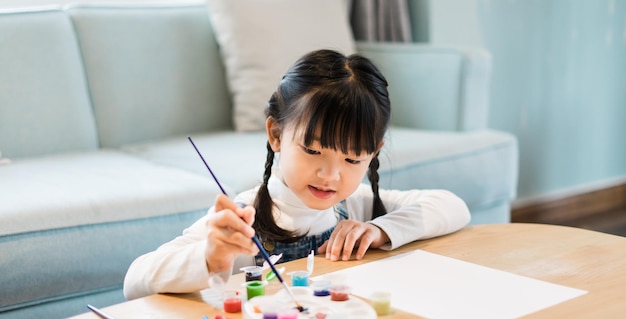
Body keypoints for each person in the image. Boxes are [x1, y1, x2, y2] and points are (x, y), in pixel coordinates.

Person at [124, 49, 471, 301]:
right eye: (312, 150)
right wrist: (211, 257)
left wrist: (381, 229)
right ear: (276, 135)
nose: (330, 175)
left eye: (352, 160)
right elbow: (135, 280)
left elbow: (453, 207)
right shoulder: (247, 218)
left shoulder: (357, 205)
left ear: (373, 154)